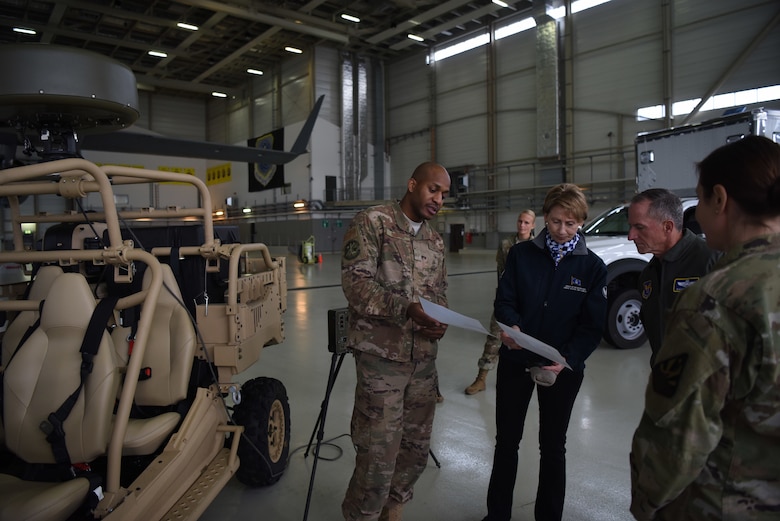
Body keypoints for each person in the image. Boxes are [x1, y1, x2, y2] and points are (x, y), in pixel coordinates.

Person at [630, 135, 780, 521]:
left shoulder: (719, 295)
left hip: (730, 500)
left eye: (699, 201)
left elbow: (680, 432)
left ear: (720, 199)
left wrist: (647, 503)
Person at [481, 183, 608, 521]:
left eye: (571, 223)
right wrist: (512, 328)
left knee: (553, 447)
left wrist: (566, 359)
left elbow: (591, 326)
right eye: (554, 222)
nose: (562, 230)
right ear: (544, 218)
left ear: (582, 221)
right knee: (506, 442)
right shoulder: (521, 255)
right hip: (516, 360)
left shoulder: (593, 268)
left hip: (562, 369)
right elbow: (504, 300)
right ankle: (497, 515)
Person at [340, 161, 451, 521]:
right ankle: (362, 516)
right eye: (433, 189)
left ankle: (393, 510)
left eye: (445, 195)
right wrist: (406, 309)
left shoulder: (434, 240)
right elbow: (356, 285)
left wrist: (441, 320)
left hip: (423, 362)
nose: (438, 199)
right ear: (412, 183)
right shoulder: (373, 222)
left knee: (415, 450)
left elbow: (440, 293)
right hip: (381, 361)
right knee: (377, 454)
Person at [627, 188, 717, 363]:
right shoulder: (648, 275)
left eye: (639, 227)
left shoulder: (711, 261)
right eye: (630, 226)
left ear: (667, 227)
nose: (631, 236)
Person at [465, 209, 536, 395]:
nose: (522, 225)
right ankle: (481, 378)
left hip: (528, 303)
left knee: (528, 341)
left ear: (533, 225)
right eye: (520, 221)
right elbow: (501, 273)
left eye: (526, 222)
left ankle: (528, 379)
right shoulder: (506, 244)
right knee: (494, 338)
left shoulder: (537, 246)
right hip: (507, 300)